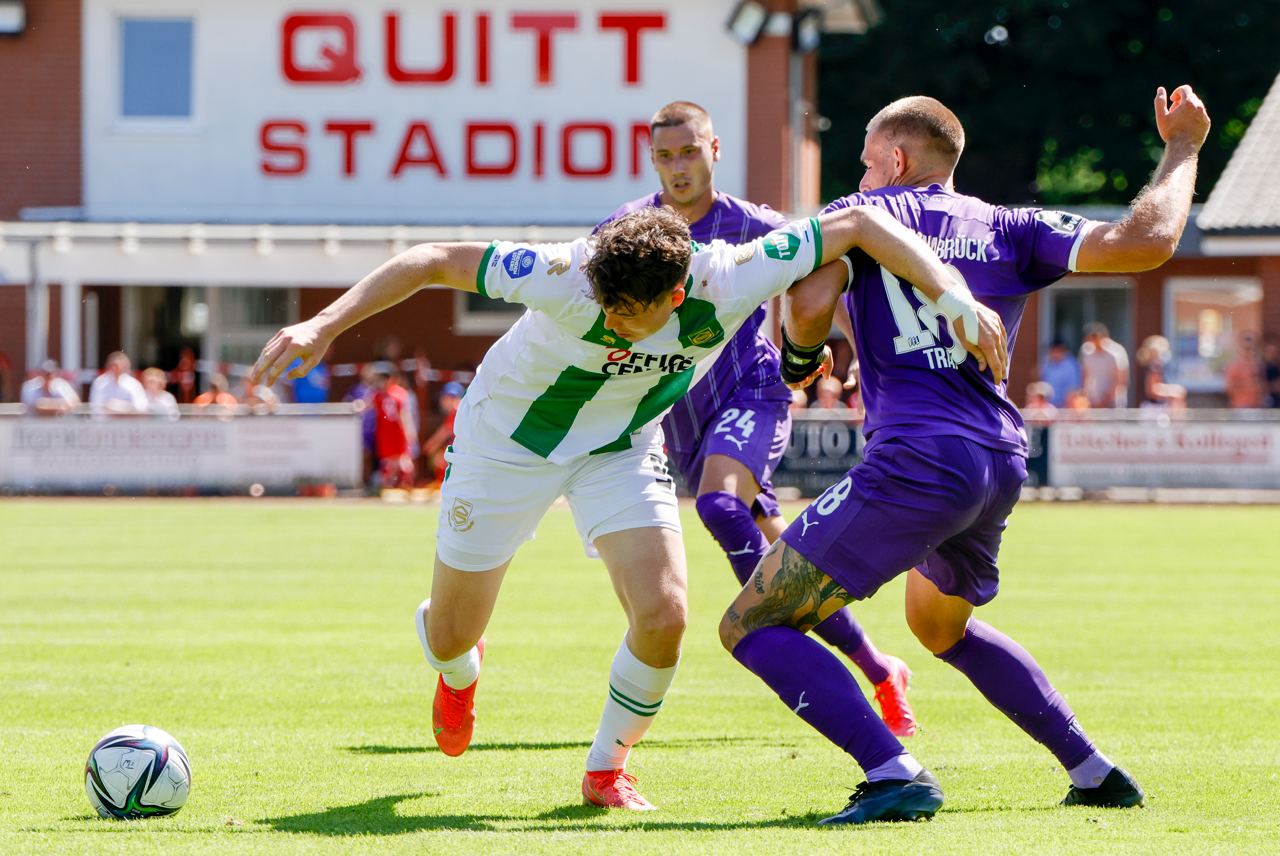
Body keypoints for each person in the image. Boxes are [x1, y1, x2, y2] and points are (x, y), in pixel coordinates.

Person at [252, 205, 1000, 810]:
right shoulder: (567, 274)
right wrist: (323, 324)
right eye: (605, 308)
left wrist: (954, 297)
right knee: (452, 635)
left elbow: (862, 226)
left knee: (666, 614)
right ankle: (457, 671)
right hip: (506, 446)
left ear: (678, 296)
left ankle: (606, 770)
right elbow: (432, 259)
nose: (610, 322)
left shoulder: (731, 274)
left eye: (627, 315)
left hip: (619, 446)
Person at [718, 85, 1210, 824]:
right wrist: (1183, 148)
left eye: (863, 161)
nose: (858, 177)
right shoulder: (1011, 226)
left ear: (895, 156)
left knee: (752, 624)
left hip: (915, 460)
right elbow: (1147, 242)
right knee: (939, 626)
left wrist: (798, 359)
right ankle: (1092, 768)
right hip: (996, 459)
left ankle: (892, 771)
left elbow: (813, 295)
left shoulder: (861, 218)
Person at [598, 101, 918, 736]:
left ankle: (770, 628)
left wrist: (858, 348)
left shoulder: (752, 224)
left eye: (690, 151)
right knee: (785, 563)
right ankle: (881, 670)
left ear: (714, 150)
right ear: (651, 158)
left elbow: (825, 275)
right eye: (665, 156)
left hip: (753, 390)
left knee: (718, 508)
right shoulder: (628, 229)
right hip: (677, 413)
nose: (678, 166)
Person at [371, 365, 416, 489]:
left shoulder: (396, 394)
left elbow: (404, 415)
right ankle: (391, 486)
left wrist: (409, 431)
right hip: (385, 434)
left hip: (396, 433)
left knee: (402, 460)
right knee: (390, 462)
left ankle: (405, 485)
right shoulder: (380, 395)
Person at [423, 380, 465, 484]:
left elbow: (442, 433)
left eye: (447, 398)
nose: (444, 401)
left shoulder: (457, 410)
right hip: (466, 451)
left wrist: (430, 446)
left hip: (466, 452)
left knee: (439, 459)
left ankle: (446, 484)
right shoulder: (459, 410)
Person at [1080, 322, 1129, 408]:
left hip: (1112, 402)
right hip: (1093, 401)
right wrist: (1087, 397)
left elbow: (1120, 380)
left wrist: (1105, 399)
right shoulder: (1086, 351)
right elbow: (1085, 376)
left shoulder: (1116, 352)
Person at [1134, 335, 1184, 410]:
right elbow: (1151, 391)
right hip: (1153, 409)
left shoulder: (1151, 366)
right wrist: (1171, 392)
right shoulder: (1153, 368)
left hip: (1152, 409)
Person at [1224, 333, 1264, 408]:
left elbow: (1261, 384)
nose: (1250, 351)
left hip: (1257, 405)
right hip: (1241, 405)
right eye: (1247, 348)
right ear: (1240, 348)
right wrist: (1247, 386)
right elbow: (1228, 388)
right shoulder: (1234, 366)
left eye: (1253, 348)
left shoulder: (1257, 365)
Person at [1039, 339, 1081, 408]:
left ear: (1063, 351)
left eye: (1057, 351)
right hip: (1048, 408)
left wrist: (1065, 407)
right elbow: (1042, 384)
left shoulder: (1071, 366)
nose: (1055, 353)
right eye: (1053, 351)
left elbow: (1073, 389)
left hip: (1065, 408)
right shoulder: (1046, 363)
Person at [1262, 334, 1280, 408]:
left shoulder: (1277, 366)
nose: (1273, 354)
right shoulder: (1261, 366)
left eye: (1275, 352)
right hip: (1266, 401)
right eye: (1270, 351)